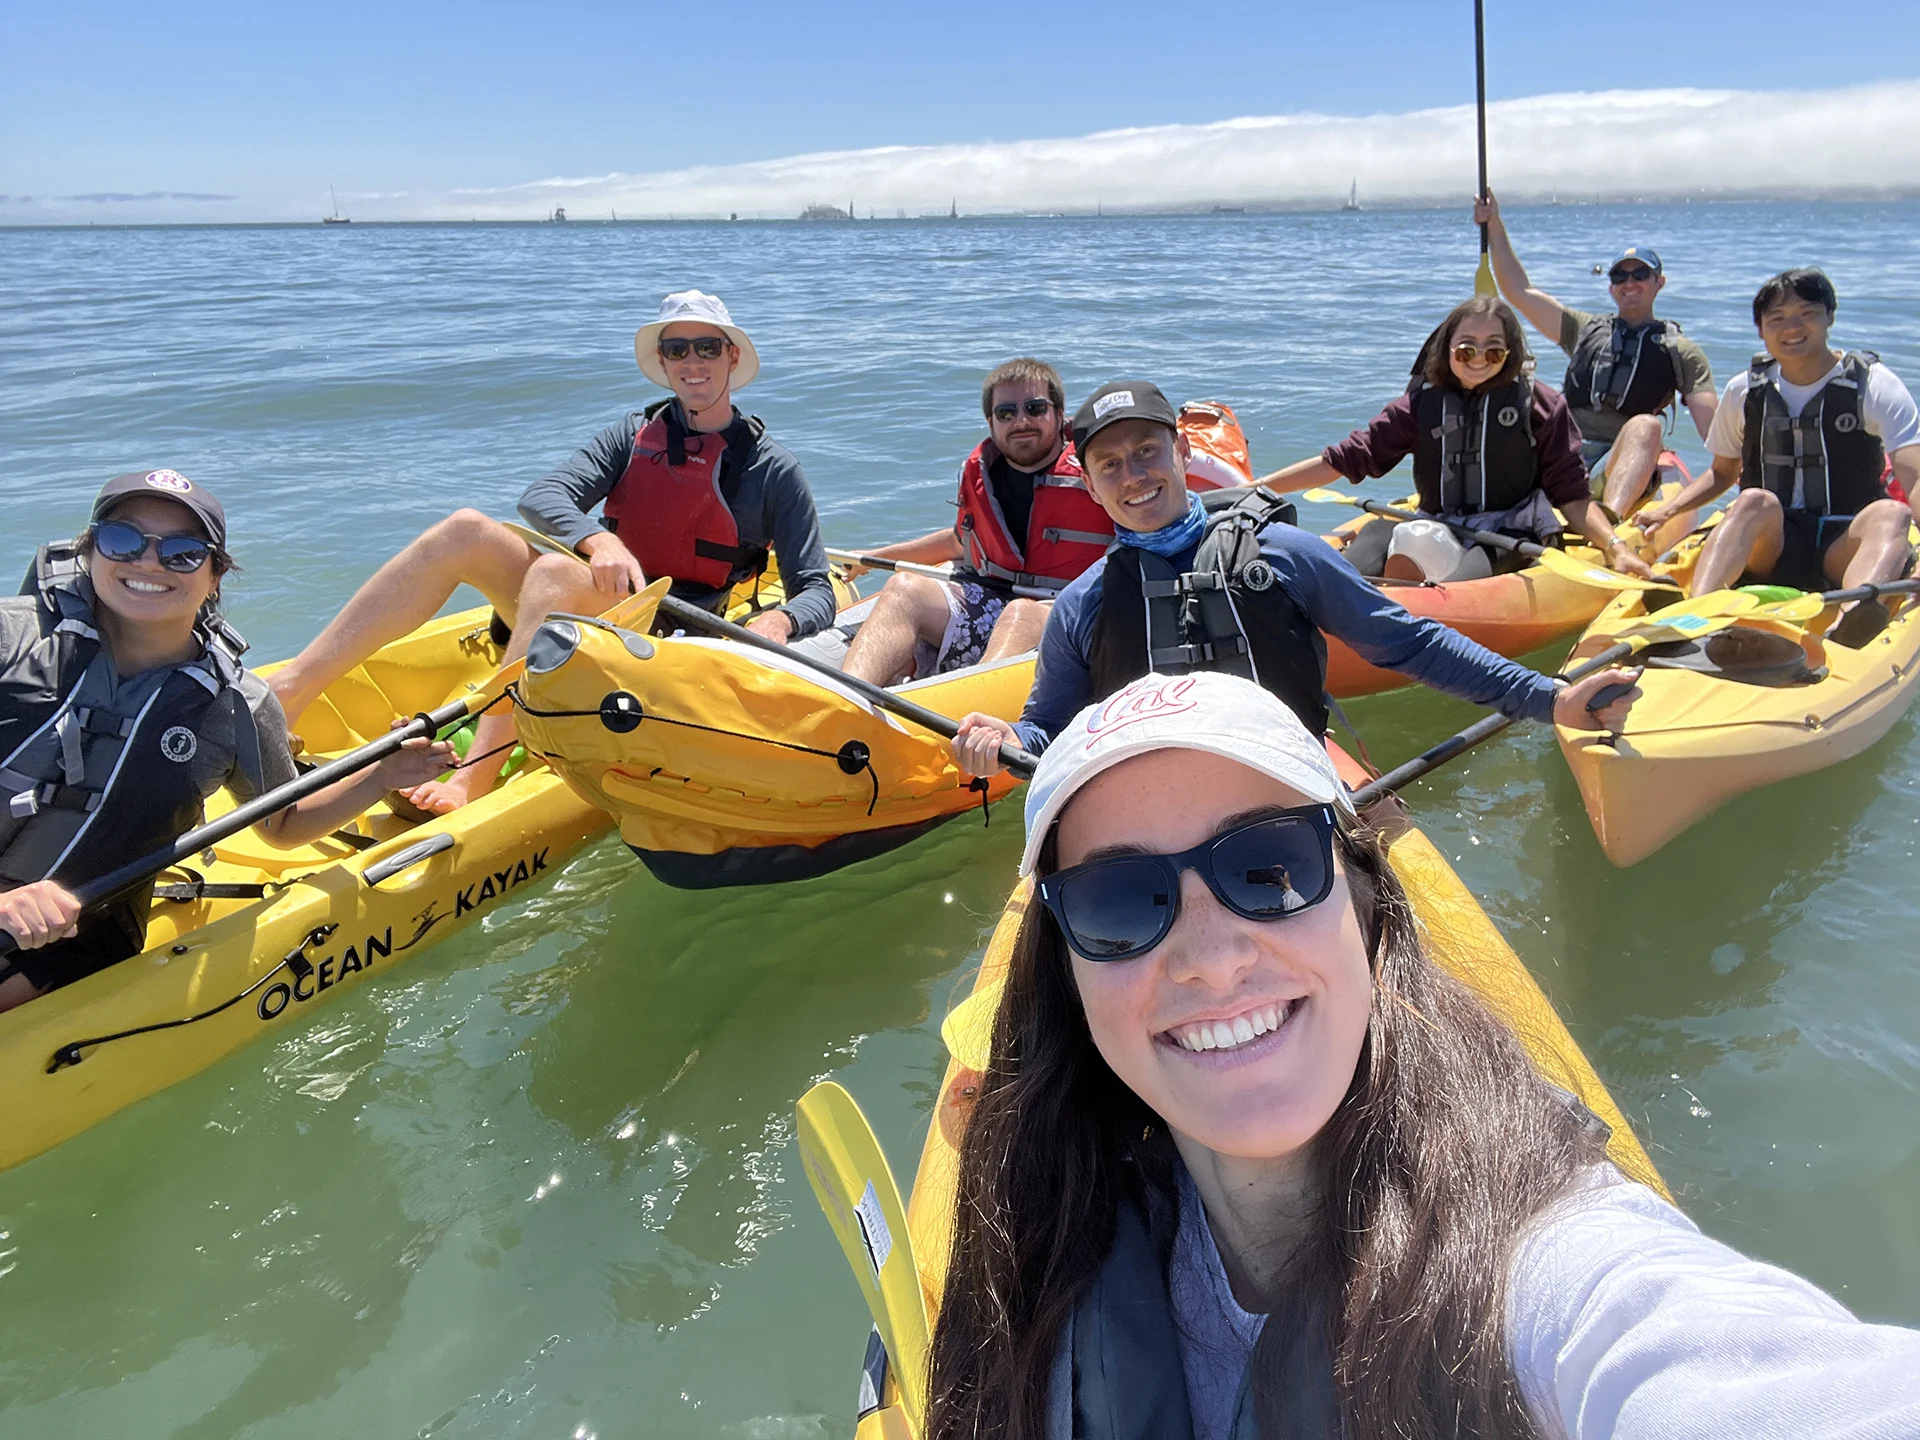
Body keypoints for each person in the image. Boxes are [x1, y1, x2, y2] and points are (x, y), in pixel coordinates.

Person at [927, 668, 1920, 1440]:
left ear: (1366, 908)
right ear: (1064, 972)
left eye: (1268, 866)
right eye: (1117, 900)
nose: (1214, 960)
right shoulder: (1035, 1226)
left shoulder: (1548, 1274)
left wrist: (1546, 697)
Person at [267, 289, 835, 811]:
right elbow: (543, 496)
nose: (693, 361)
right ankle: (291, 691)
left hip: (669, 640)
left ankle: (473, 777)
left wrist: (783, 621)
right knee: (466, 528)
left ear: (732, 357)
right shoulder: (631, 435)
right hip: (593, 608)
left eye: (708, 346)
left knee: (558, 575)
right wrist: (599, 537)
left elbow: (816, 588)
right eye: (677, 347)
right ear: (662, 361)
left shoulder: (772, 468)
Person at [949, 380, 1638, 774]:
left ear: (1181, 452)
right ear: (1090, 485)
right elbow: (1047, 726)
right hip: (1154, 804)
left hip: (1290, 779)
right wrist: (1007, 741)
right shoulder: (1083, 604)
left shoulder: (1285, 553)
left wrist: (1551, 700)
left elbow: (1412, 644)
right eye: (1111, 465)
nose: (1134, 476)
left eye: (1147, 452)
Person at [0, 470, 451, 1013]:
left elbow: (282, 822)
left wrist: (381, 775)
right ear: (90, 551)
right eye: (122, 539)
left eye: (183, 553)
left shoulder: (237, 703)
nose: (148, 563)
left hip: (75, 936)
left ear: (215, 576)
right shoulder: (12, 639)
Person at [1261, 296, 1655, 583]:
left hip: (1508, 535)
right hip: (1434, 522)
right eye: (1466, 349)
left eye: (1493, 350)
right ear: (1448, 350)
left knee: (1454, 584)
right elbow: (1345, 459)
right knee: (1368, 546)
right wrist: (1257, 489)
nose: (1478, 358)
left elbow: (1571, 497)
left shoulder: (1541, 406)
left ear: (1510, 353)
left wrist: (1615, 547)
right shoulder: (1419, 405)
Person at [1637, 269, 1920, 642]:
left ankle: (1853, 621)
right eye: (1778, 318)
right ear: (1761, 330)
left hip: (1845, 546)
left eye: (1807, 314)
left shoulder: (1874, 385)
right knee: (1753, 499)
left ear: (1829, 317)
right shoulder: (1745, 391)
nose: (1792, 327)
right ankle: (1694, 614)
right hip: (1775, 546)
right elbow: (1722, 475)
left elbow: (1912, 477)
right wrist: (1668, 510)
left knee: (1893, 512)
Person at [1472, 191, 1718, 520]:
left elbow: (1717, 435)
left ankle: (1608, 523)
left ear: (1659, 282)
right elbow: (1518, 291)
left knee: (1646, 426)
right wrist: (1495, 225)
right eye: (1620, 276)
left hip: (1616, 462)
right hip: (1564, 453)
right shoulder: (1583, 328)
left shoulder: (1681, 351)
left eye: (1640, 275)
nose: (1629, 283)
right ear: (1611, 287)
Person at [839, 359, 1083, 685]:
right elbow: (961, 542)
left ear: (1059, 412)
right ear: (990, 422)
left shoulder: (1096, 471)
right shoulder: (982, 473)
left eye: (1035, 408)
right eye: (1006, 413)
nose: (1021, 420)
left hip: (1072, 613)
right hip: (995, 600)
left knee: (1020, 615)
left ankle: (968, 715)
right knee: (903, 589)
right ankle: (845, 702)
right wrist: (878, 557)